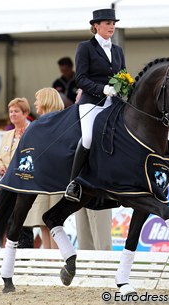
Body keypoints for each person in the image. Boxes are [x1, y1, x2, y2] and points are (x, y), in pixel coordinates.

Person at [65, 8, 126, 202]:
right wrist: (102, 89)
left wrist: (126, 87)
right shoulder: (85, 47)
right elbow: (80, 79)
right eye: (107, 23)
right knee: (89, 138)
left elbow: (122, 75)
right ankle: (73, 183)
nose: (112, 27)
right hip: (92, 101)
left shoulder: (117, 50)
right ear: (96, 26)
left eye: (113, 23)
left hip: (114, 103)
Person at [24, 88, 64, 248]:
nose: (35, 103)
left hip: (55, 179)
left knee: (54, 222)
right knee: (42, 222)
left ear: (47, 100)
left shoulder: (61, 121)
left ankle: (57, 260)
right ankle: (48, 260)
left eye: (37, 99)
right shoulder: (37, 123)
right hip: (39, 179)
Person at [74, 89, 112, 250]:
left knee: (101, 239)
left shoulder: (103, 122)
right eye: (78, 95)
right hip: (79, 184)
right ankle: (86, 272)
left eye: (79, 95)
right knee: (84, 238)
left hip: (98, 184)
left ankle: (105, 271)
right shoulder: (76, 120)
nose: (77, 99)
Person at [0, 97, 34, 248]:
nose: (12, 114)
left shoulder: (31, 132)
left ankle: (26, 256)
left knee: (24, 222)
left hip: (24, 184)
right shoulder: (7, 135)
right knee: (8, 220)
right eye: (10, 111)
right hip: (7, 184)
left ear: (25, 113)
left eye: (16, 111)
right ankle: (10, 253)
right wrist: (0, 167)